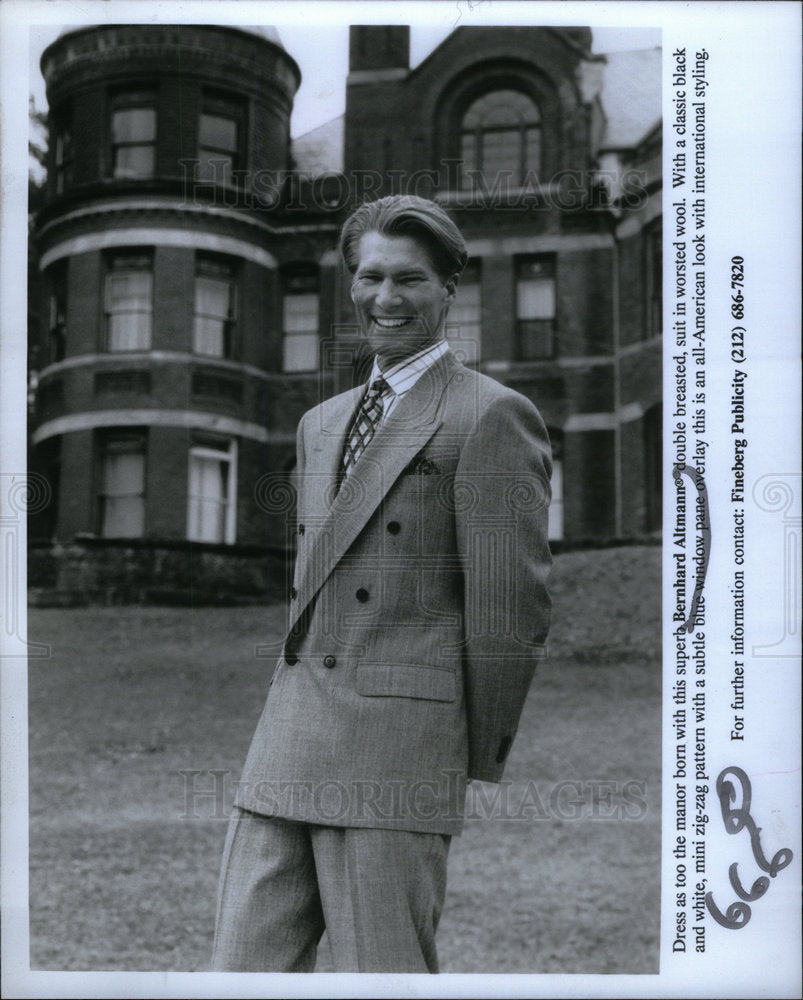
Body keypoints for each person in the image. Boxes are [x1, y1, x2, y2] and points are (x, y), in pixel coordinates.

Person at [212, 194, 552, 973]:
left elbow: (510, 609)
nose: (385, 299)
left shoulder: (491, 415)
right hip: (286, 743)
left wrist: (463, 752)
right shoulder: (321, 421)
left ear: (446, 293)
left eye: (408, 280)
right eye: (370, 278)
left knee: (382, 977)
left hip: (397, 754)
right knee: (236, 972)